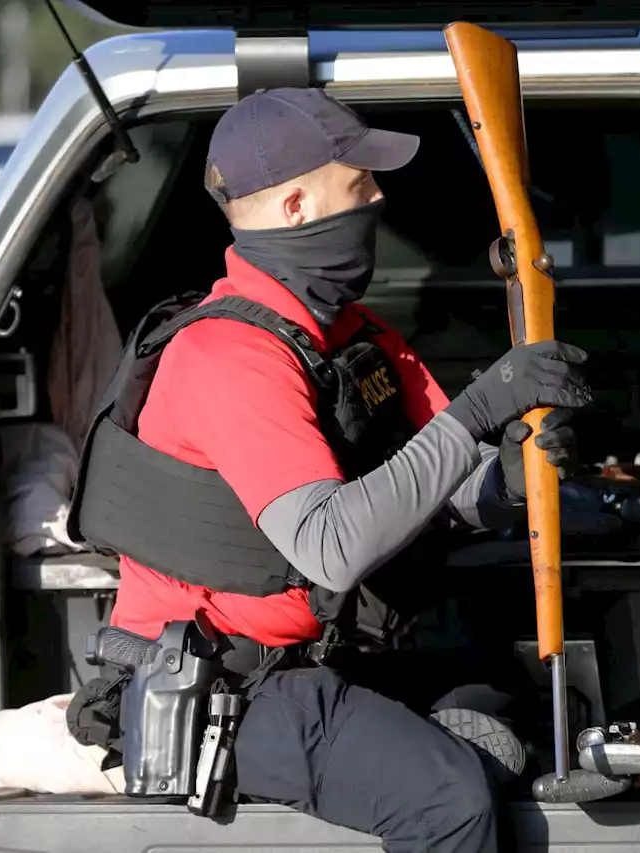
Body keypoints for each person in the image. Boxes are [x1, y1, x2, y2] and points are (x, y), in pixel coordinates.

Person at [73, 88, 592, 852]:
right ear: (294, 206)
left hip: (327, 652)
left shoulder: (352, 337)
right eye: (358, 183)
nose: (378, 198)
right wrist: (481, 408)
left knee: (525, 708)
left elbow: (438, 478)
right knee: (449, 799)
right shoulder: (227, 356)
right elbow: (331, 546)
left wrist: (507, 479)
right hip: (227, 684)